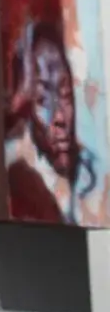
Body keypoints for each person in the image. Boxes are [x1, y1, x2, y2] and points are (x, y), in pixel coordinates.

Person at [6, 18, 99, 225]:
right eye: (42, 100)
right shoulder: (15, 170)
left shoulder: (92, 170)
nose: (59, 117)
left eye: (65, 95)